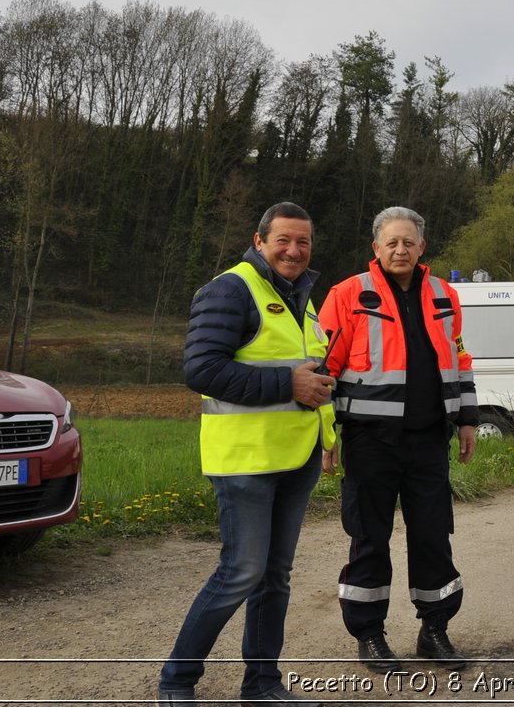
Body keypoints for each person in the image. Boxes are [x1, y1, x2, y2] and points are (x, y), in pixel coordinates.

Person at [158, 202, 336, 707]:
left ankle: (261, 685)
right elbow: (203, 370)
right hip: (244, 462)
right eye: (283, 240)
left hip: (295, 456)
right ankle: (176, 681)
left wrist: (329, 428)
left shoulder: (304, 299)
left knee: (274, 577)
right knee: (241, 571)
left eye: (303, 242)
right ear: (259, 241)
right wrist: (289, 383)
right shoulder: (229, 289)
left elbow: (310, 376)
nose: (294, 250)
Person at [319, 206, 478, 673]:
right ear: (376, 247)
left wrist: (467, 418)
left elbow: (460, 361)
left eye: (409, 241)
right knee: (370, 538)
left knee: (433, 537)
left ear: (422, 246)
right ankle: (369, 634)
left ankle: (435, 631)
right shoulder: (348, 294)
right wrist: (326, 432)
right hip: (369, 443)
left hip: (430, 440)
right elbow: (322, 367)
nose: (400, 249)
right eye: (392, 242)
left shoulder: (443, 294)